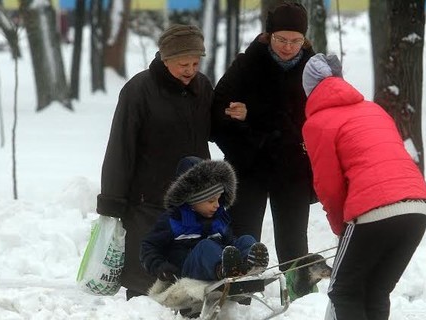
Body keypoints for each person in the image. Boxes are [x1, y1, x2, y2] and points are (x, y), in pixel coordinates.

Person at [301, 53, 426, 320]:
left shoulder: (317, 124)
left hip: (373, 211)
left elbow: (328, 186)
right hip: (418, 206)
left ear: (309, 90)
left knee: (343, 291)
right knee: (376, 290)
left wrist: (342, 228)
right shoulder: (374, 109)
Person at [96, 24, 214, 300]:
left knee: (186, 282)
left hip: (191, 203)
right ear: (165, 59)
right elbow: (120, 149)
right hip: (147, 203)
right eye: (183, 63)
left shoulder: (203, 87)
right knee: (144, 282)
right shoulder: (139, 90)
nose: (190, 70)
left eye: (195, 63)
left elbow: (212, 131)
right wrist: (113, 200)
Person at [211, 1, 315, 279]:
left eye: (296, 40)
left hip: (294, 169)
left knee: (294, 243)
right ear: (268, 36)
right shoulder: (246, 65)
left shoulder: (313, 71)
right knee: (242, 239)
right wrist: (244, 148)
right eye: (281, 39)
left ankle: (301, 300)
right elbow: (218, 115)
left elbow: (312, 121)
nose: (288, 46)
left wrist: (252, 114)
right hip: (248, 168)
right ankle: (236, 297)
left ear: (305, 40)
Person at [140, 156, 269, 284]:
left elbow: (230, 243)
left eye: (218, 199)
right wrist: (159, 266)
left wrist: (240, 250)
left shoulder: (218, 218)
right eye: (211, 201)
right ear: (192, 200)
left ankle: (250, 264)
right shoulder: (173, 220)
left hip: (219, 260)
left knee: (246, 239)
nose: (217, 205)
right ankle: (223, 269)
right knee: (206, 246)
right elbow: (149, 247)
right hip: (188, 270)